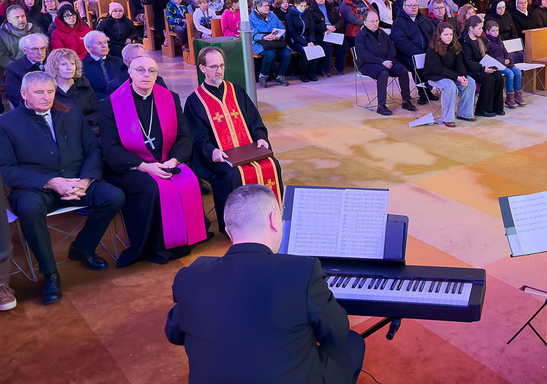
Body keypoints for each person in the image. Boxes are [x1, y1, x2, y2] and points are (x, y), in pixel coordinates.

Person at [166, 184, 365, 383]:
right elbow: (336, 333)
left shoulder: (190, 275)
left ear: (228, 231)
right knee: (352, 342)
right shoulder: (303, 270)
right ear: (274, 220)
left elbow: (174, 334)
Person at [0, 71, 125, 304]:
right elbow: (6, 169)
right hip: (36, 188)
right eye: (39, 92)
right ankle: (50, 273)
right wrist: (51, 182)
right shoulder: (4, 124)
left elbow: (93, 149)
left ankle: (83, 247)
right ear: (23, 94)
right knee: (29, 209)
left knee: (113, 196)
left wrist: (86, 180)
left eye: (50, 91)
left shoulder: (71, 112)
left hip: (77, 181)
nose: (46, 97)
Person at [98, 56, 206, 267]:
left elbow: (184, 136)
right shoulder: (111, 104)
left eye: (152, 71)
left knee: (188, 180)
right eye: (140, 70)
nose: (146, 75)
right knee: (153, 188)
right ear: (130, 72)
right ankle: (155, 246)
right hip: (131, 166)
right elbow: (111, 149)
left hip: (167, 161)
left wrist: (174, 160)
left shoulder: (170, 98)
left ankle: (184, 240)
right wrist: (145, 166)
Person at [185, 47, 283, 235]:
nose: (219, 71)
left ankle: (270, 219)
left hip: (248, 150)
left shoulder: (236, 90)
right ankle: (236, 228)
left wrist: (261, 138)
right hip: (220, 156)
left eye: (222, 65)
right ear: (202, 68)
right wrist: (212, 151)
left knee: (272, 164)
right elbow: (197, 136)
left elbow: (254, 120)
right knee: (232, 175)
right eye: (214, 66)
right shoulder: (195, 101)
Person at [355, 11, 416, 115]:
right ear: (365, 23)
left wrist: (389, 60)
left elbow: (392, 49)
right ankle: (381, 105)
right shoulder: (360, 36)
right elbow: (363, 54)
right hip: (368, 64)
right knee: (383, 73)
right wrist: (382, 62)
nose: (375, 23)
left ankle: (406, 100)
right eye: (372, 21)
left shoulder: (382, 33)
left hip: (386, 61)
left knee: (403, 70)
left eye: (377, 20)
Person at [424, 23, 475, 127]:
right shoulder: (432, 48)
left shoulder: (455, 45)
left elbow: (460, 63)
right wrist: (457, 77)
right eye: (446, 34)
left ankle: (464, 113)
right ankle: (448, 118)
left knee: (470, 82)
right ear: (439, 35)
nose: (449, 37)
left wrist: (463, 77)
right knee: (449, 86)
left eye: (451, 34)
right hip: (435, 76)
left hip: (451, 75)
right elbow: (438, 69)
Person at [461, 16, 506, 117]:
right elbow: (468, 62)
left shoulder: (482, 39)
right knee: (489, 79)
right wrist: (483, 68)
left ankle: (497, 107)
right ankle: (482, 109)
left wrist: (491, 65)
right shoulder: (464, 42)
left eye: (482, 28)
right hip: (470, 70)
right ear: (471, 28)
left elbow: (487, 55)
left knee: (498, 76)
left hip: (482, 67)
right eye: (479, 28)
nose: (482, 30)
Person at [391, 0, 431, 103]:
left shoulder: (423, 19)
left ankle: (428, 90)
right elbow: (401, 42)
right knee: (417, 65)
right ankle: (422, 92)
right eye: (410, 6)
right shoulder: (399, 22)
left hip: (425, 51)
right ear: (404, 7)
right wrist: (418, 53)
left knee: (434, 61)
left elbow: (430, 35)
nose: (414, 8)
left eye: (415, 5)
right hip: (406, 54)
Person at [45, 48, 98, 123]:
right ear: (54, 67)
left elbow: (96, 112)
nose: (69, 68)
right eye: (64, 64)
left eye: (72, 64)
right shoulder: (46, 89)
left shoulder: (84, 84)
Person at [484, 19, 526, 108]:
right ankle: (509, 97)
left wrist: (508, 59)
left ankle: (518, 96)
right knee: (510, 73)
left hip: (506, 63)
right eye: (493, 31)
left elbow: (506, 52)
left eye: (497, 30)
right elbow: (491, 58)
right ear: (487, 31)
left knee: (518, 72)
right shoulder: (487, 42)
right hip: (496, 65)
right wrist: (503, 61)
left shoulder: (499, 40)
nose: (496, 33)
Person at [2, 33, 49, 108]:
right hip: (30, 109)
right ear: (25, 51)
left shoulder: (53, 63)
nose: (40, 53)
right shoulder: (13, 69)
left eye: (43, 48)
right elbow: (16, 98)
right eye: (35, 49)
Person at [285, 0, 321, 82]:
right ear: (296, 5)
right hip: (295, 41)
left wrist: (311, 41)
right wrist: (306, 43)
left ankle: (311, 73)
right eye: (301, 6)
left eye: (305, 6)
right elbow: (292, 33)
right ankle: (303, 74)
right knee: (306, 51)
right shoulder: (289, 15)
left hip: (307, 38)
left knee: (317, 49)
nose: (303, 8)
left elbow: (311, 29)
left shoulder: (307, 13)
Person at [0, 4, 43, 69]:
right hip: (17, 69)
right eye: (17, 17)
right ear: (9, 19)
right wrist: (20, 68)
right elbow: (2, 59)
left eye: (23, 16)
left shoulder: (35, 30)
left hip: (39, 66)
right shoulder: (1, 34)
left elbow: (45, 50)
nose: (21, 20)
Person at [81, 30, 127, 99]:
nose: (104, 46)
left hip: (121, 98)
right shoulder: (81, 67)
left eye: (105, 42)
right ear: (88, 47)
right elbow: (84, 92)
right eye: (99, 43)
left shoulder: (119, 62)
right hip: (96, 102)